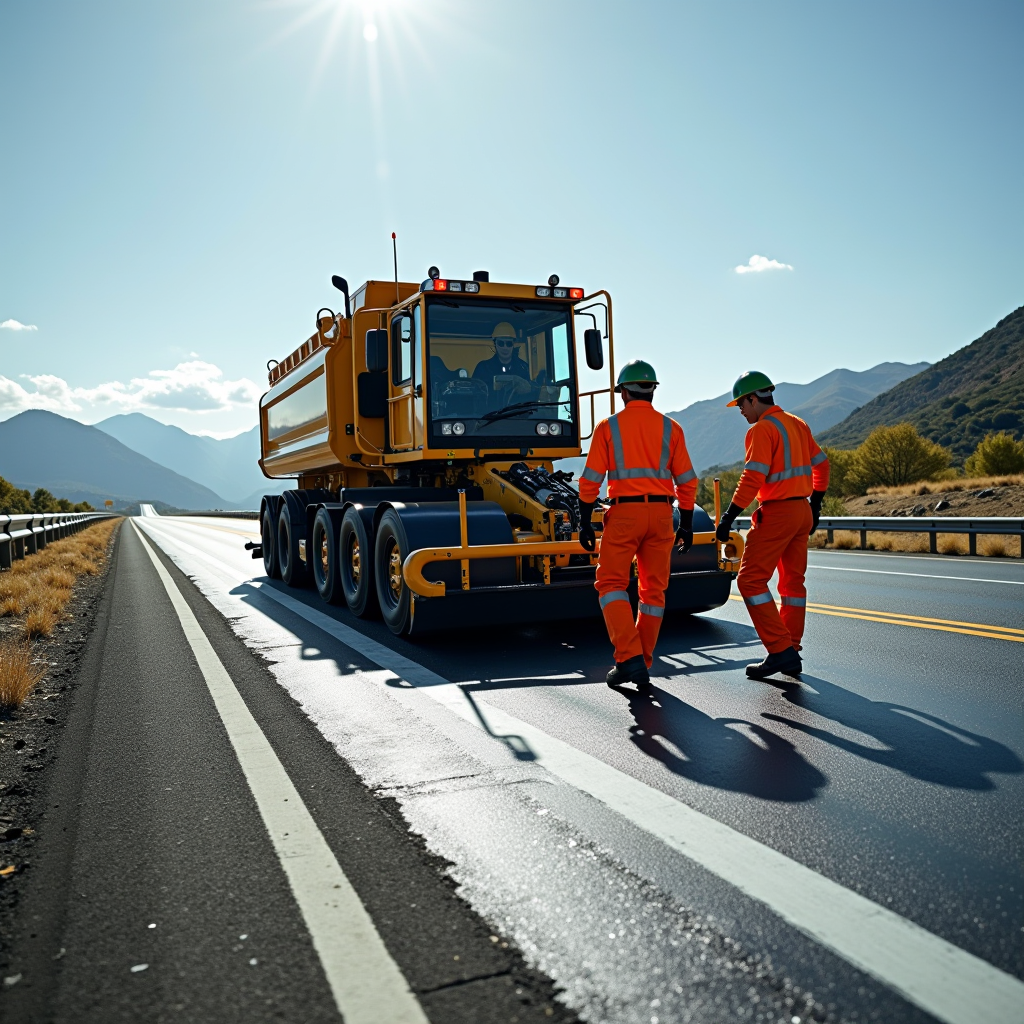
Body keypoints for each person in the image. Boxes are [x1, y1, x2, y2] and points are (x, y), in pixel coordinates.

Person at [577, 360, 698, 691]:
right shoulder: (672, 428)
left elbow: (590, 480)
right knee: (653, 591)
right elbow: (687, 481)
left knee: (610, 585)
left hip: (625, 515)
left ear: (623, 392)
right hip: (662, 516)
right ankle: (640, 662)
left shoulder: (609, 427)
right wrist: (686, 522)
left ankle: (628, 657)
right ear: (652, 391)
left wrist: (583, 519)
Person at [715, 371, 830, 680]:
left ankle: (780, 651)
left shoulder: (762, 430)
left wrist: (728, 515)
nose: (740, 410)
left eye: (741, 404)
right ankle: (791, 647)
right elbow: (822, 464)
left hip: (777, 513)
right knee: (793, 584)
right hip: (801, 511)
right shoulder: (797, 424)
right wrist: (815, 505)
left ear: (754, 399)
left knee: (750, 581)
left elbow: (753, 477)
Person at [472, 322, 533, 404]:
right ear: (495, 344)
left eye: (509, 343)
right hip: (489, 416)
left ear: (513, 345)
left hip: (518, 415)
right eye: (501, 343)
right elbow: (475, 399)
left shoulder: (524, 368)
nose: (505, 347)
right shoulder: (483, 368)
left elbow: (529, 398)